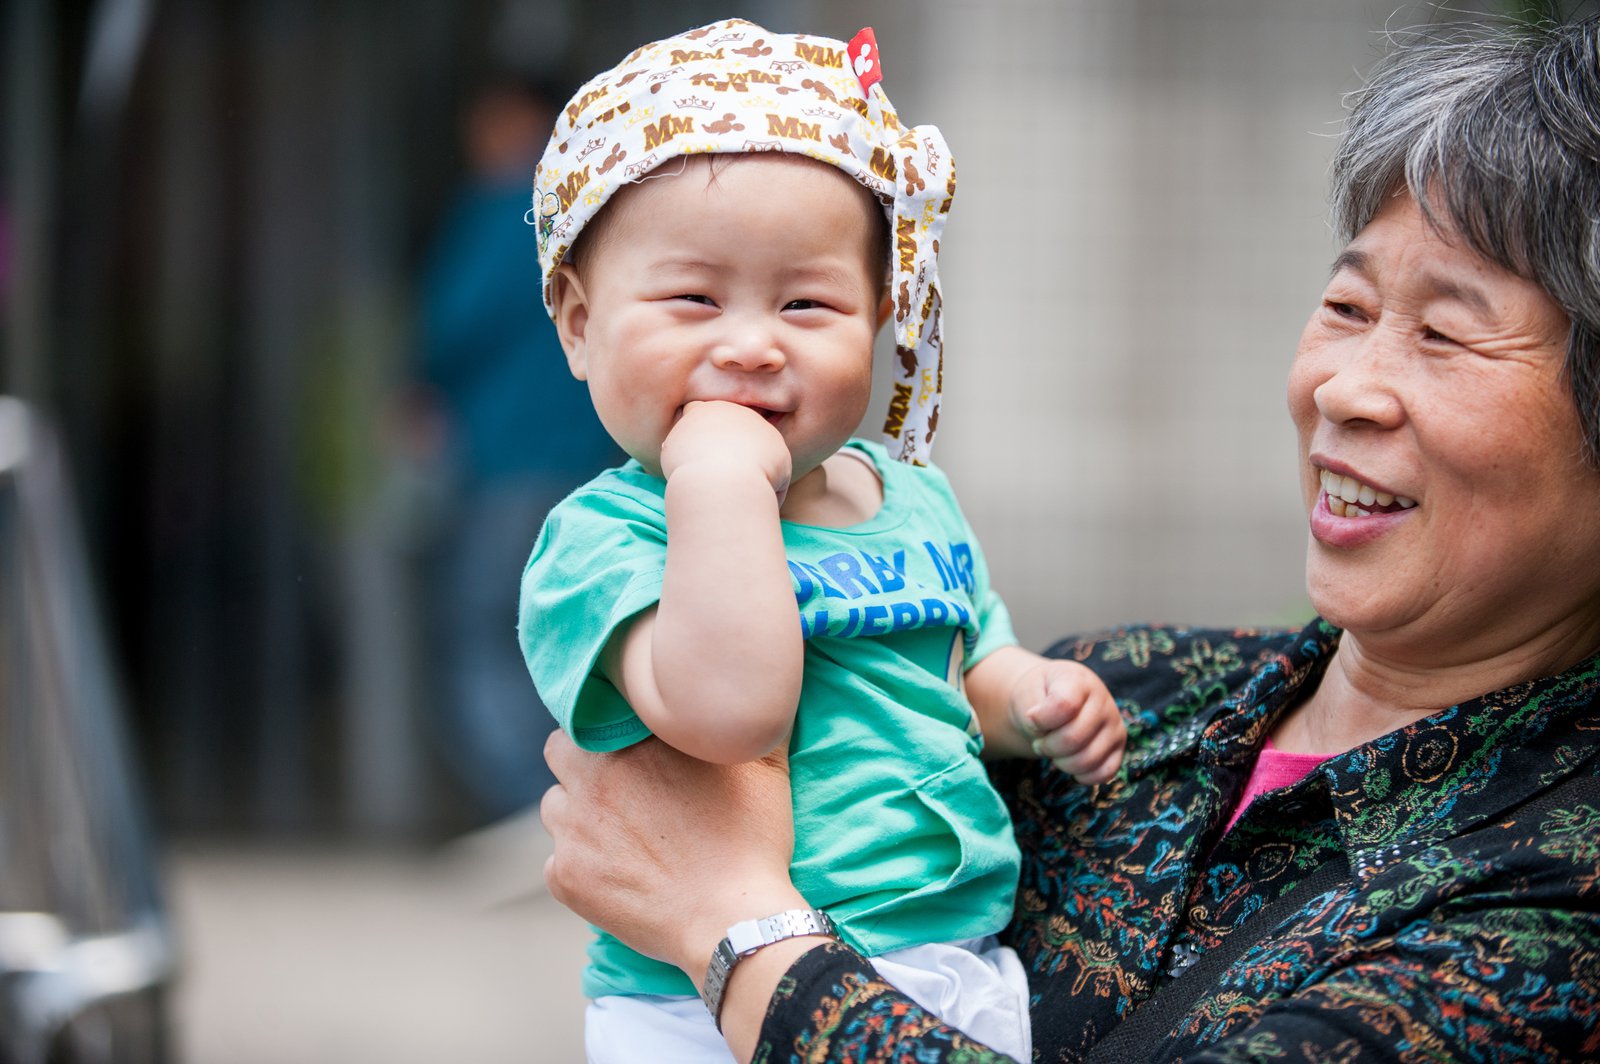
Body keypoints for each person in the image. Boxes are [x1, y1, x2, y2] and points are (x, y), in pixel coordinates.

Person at [537, 14, 1600, 1062]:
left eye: (1445, 334)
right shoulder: (1139, 693)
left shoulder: (1556, 879)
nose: (1346, 387)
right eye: (1346, 304)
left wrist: (736, 924)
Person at [516, 19, 1126, 1063]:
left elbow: (957, 670)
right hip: (702, 992)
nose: (751, 344)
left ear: (882, 315)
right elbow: (728, 708)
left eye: (806, 303)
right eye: (693, 298)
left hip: (957, 956)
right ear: (579, 321)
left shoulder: (915, 498)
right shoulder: (603, 541)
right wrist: (717, 477)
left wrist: (1032, 696)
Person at [408, 74, 619, 838]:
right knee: (577, 626)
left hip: (506, 462)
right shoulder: (595, 209)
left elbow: (446, 329)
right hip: (593, 458)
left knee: (486, 628)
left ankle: (532, 798)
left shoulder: (505, 208)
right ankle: (585, 792)